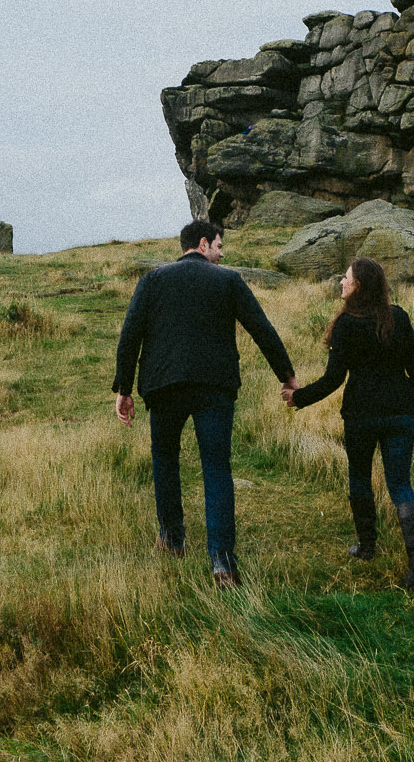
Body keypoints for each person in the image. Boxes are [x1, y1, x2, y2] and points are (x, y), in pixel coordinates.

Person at [113, 218, 297, 586]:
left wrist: (124, 389)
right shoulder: (228, 280)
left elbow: (130, 333)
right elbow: (261, 328)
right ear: (202, 243)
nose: (222, 253)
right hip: (214, 386)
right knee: (216, 467)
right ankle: (223, 563)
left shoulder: (152, 280)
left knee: (165, 459)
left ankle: (173, 540)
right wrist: (287, 376)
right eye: (219, 245)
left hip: (163, 385)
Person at [285, 256, 414, 589]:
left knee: (359, 478)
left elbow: (334, 378)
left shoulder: (347, 324)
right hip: (400, 413)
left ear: (359, 285)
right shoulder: (398, 317)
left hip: (361, 416)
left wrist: (298, 397)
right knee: (400, 485)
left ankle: (367, 548)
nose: (342, 282)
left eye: (347, 278)